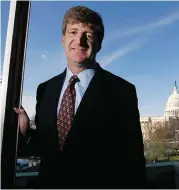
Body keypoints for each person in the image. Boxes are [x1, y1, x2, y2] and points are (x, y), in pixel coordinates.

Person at [15, 6, 146, 189]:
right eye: (73, 32)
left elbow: (133, 159)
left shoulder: (122, 91)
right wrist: (25, 131)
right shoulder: (45, 89)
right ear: (63, 39)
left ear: (99, 43)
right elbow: (48, 147)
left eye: (89, 34)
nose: (80, 40)